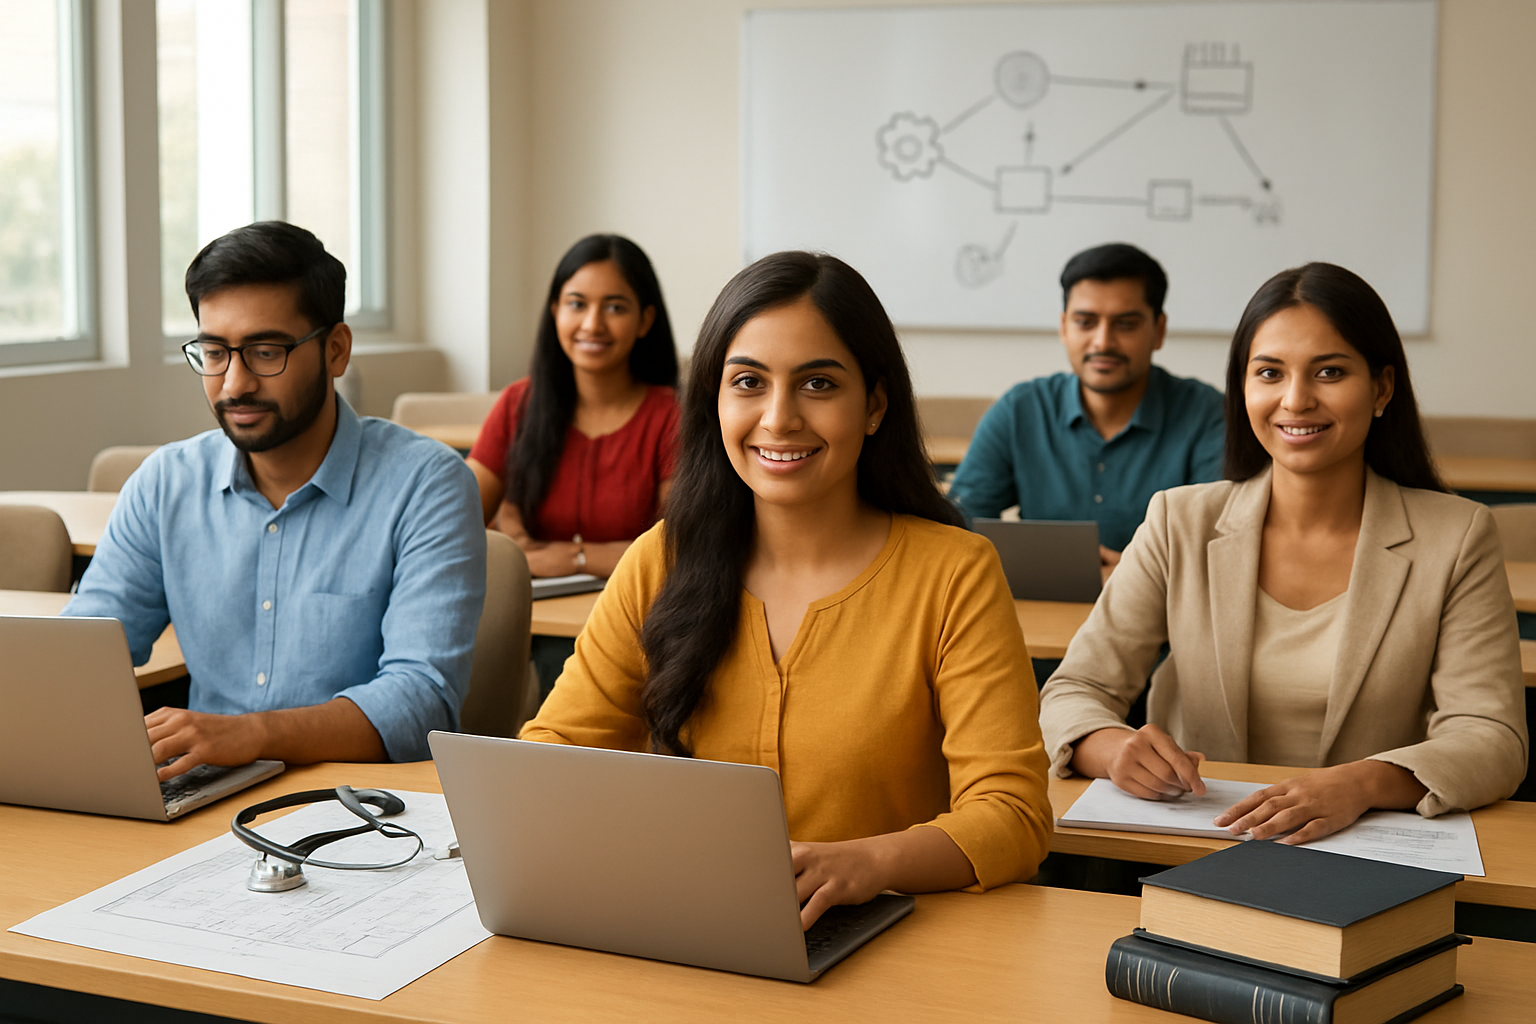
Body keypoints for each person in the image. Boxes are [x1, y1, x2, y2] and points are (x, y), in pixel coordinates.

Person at [520, 251, 1053, 928]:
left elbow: (1012, 813)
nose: (778, 418)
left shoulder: (955, 573)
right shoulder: (659, 561)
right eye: (747, 382)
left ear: (874, 405)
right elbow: (552, 755)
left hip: (894, 941)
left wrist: (867, 864)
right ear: (714, 400)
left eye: (818, 385)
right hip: (694, 927)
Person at [1039, 262, 1527, 844]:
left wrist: (1363, 784)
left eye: (1329, 371)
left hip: (1364, 854)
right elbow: (1075, 690)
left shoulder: (1458, 535)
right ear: (1243, 388)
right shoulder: (1179, 520)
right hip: (1193, 845)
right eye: (1269, 372)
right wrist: (1111, 747)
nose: (1295, 400)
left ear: (1381, 388)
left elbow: (1491, 734)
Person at [65, 221, 486, 778]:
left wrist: (252, 734)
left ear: (336, 351)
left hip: (358, 809)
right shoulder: (166, 481)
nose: (235, 383)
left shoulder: (427, 484)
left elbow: (420, 704)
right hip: (204, 796)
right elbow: (81, 660)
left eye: (266, 352)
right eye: (214, 351)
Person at [948, 243, 1224, 566]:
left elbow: (1222, 545)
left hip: (1164, 611)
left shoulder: (1208, 414)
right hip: (1043, 608)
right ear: (1064, 327)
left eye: (1126, 324)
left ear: (1159, 331)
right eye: (1085, 322)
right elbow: (959, 527)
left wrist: (1136, 581)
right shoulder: (1020, 410)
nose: (1103, 342)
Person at [467, 234, 679, 579]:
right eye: (577, 304)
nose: (592, 324)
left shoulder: (674, 417)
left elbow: (681, 546)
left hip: (641, 614)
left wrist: (571, 558)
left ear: (645, 320)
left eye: (615, 307)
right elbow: (452, 521)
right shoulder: (518, 404)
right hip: (533, 613)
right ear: (555, 311)